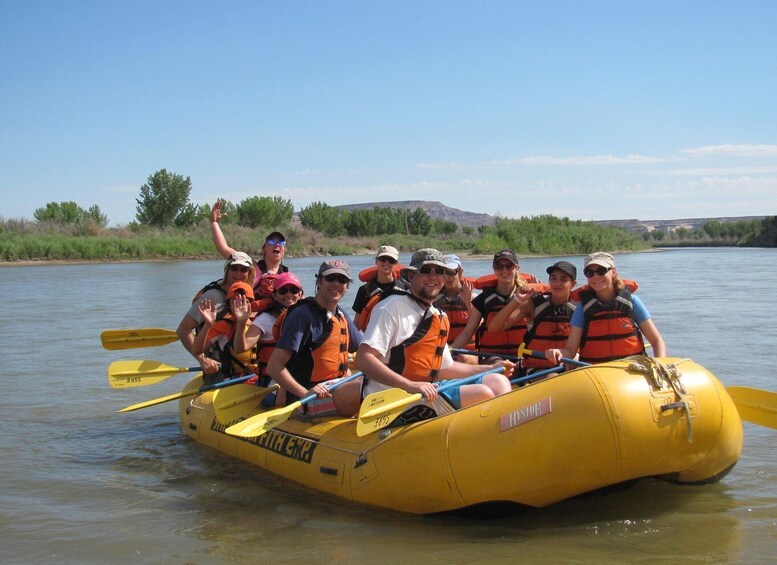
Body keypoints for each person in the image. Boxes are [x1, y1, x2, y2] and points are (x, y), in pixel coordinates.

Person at [355, 248, 514, 415]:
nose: (433, 277)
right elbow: (363, 359)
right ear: (411, 276)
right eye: (425, 271)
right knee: (483, 393)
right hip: (395, 396)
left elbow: (445, 369)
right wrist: (411, 385)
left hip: (426, 389)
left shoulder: (438, 315)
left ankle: (504, 434)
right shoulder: (391, 307)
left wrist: (492, 368)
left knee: (498, 380)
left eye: (439, 271)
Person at [266, 259, 364, 417]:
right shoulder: (302, 316)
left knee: (383, 378)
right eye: (330, 278)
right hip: (309, 398)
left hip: (337, 386)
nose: (336, 283)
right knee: (369, 386)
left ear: (347, 286)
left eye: (342, 280)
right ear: (319, 281)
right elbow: (274, 367)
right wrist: (304, 393)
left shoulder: (340, 315)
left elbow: (364, 351)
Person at [545, 252, 666, 366]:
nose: (596, 276)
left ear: (613, 272)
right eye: (589, 273)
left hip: (631, 370)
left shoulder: (632, 302)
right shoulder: (582, 308)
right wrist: (558, 352)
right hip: (597, 372)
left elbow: (656, 341)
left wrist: (659, 365)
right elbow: (570, 351)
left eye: (601, 271)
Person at [489, 260, 577, 373]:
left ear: (573, 284)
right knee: (552, 377)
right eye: (553, 278)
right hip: (537, 368)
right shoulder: (533, 304)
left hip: (570, 366)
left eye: (563, 279)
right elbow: (494, 328)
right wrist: (518, 299)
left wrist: (575, 354)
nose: (557, 283)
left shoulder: (579, 308)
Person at [176, 252, 254, 374]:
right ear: (227, 270)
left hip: (245, 370)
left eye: (243, 269)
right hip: (218, 370)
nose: (238, 274)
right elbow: (183, 330)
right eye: (234, 268)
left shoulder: (249, 295)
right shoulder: (212, 297)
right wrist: (203, 360)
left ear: (249, 273)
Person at [450, 249, 536, 358]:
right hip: (492, 358)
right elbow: (467, 332)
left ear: (517, 268)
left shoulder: (529, 297)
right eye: (499, 267)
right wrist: (449, 351)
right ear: (494, 269)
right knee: (465, 358)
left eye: (509, 266)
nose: (504, 270)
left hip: (521, 357)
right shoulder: (483, 299)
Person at [232, 272, 304, 399]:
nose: (288, 295)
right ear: (275, 295)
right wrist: (241, 322)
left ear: (300, 294)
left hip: (299, 377)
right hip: (272, 383)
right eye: (283, 290)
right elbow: (240, 348)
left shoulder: (306, 317)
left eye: (293, 290)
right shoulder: (265, 319)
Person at [209, 199, 289, 297]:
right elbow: (224, 248)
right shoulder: (251, 266)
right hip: (248, 310)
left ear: (284, 251)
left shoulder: (287, 276)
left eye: (281, 242)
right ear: (264, 249)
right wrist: (214, 223)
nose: (277, 244)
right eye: (272, 241)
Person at [190, 281, 258, 382]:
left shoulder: (259, 321)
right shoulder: (223, 326)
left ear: (251, 303)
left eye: (244, 301)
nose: (240, 306)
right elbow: (196, 350)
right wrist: (207, 325)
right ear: (229, 305)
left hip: (257, 376)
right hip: (233, 379)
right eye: (235, 301)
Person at [433, 254, 478, 363]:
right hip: (442, 352)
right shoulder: (434, 299)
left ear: (460, 272)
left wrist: (468, 303)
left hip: (470, 354)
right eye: (444, 272)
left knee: (463, 358)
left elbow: (480, 324)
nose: (448, 277)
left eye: (451, 272)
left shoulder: (473, 297)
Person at [352, 245, 409, 328]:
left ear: (396, 264)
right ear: (376, 261)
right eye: (383, 259)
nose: (386, 263)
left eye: (391, 260)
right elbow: (357, 323)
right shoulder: (365, 290)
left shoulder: (406, 288)